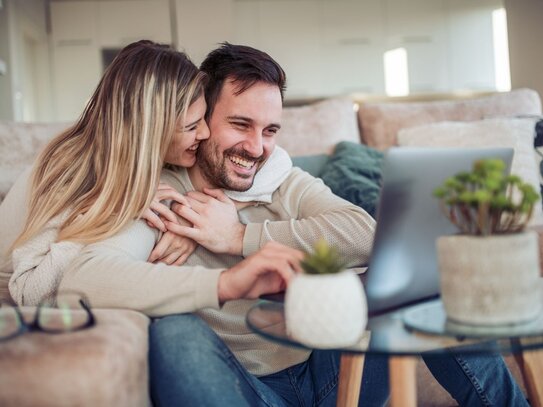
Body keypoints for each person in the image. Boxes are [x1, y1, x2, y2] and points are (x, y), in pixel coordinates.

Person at [144, 43, 528, 407]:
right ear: (201, 119)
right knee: (173, 334)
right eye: (241, 124)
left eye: (270, 130)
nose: (256, 147)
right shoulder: (156, 191)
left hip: (331, 374)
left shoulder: (281, 179)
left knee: (417, 273)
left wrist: (240, 236)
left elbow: (367, 235)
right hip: (247, 388)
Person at [0, 40, 304, 310]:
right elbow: (30, 293)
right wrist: (117, 210)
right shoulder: (69, 171)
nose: (205, 132)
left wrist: (191, 224)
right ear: (151, 129)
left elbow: (276, 162)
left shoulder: (147, 162)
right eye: (191, 126)